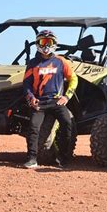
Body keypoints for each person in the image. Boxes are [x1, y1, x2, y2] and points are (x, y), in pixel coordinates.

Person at [22, 30, 78, 169]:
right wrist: (31, 98)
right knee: (34, 128)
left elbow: (73, 79)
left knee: (67, 123)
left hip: (56, 101)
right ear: (37, 44)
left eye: (49, 42)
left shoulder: (61, 61)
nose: (46, 45)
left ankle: (64, 159)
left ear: (54, 44)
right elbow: (26, 84)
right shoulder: (33, 63)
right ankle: (32, 159)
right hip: (39, 102)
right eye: (43, 42)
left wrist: (67, 96)